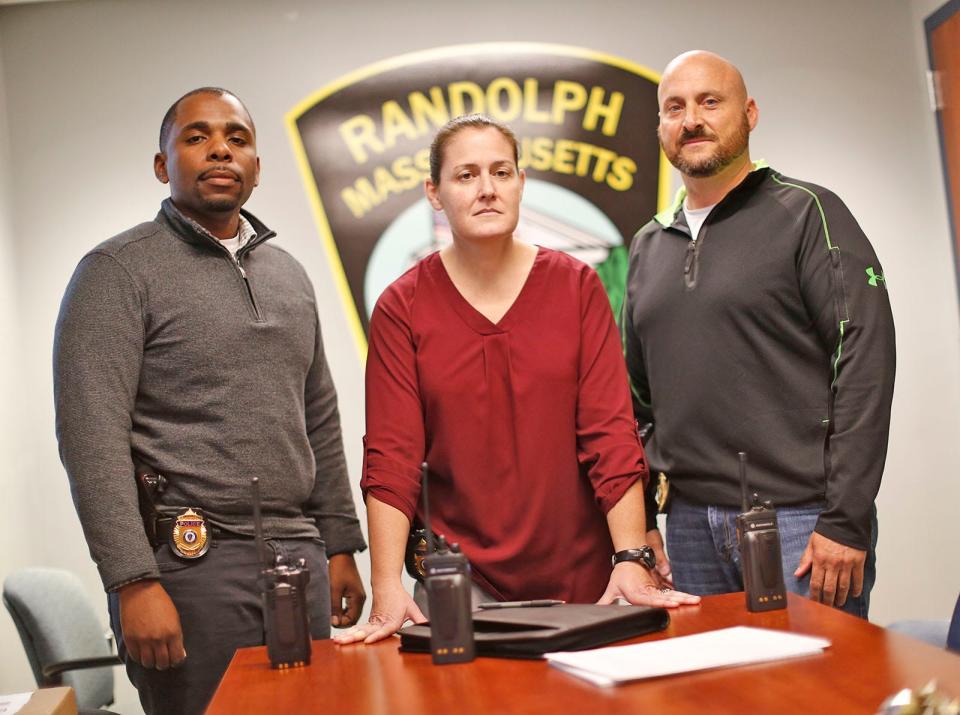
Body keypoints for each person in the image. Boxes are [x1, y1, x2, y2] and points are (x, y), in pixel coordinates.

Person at [53, 87, 367, 714]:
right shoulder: (115, 271)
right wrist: (133, 580)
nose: (220, 148)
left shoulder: (290, 276)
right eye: (196, 137)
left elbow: (321, 421)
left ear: (255, 167)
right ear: (163, 165)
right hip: (188, 567)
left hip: (298, 557)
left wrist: (339, 545)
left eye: (237, 138)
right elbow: (91, 438)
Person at [336, 114, 699, 646]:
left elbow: (611, 434)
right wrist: (387, 583)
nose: (486, 189)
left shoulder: (577, 287)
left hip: (587, 578)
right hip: (461, 586)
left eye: (501, 172)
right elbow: (391, 455)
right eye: (466, 176)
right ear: (434, 193)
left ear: (521, 183)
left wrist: (630, 556)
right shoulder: (401, 307)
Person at [621, 51, 896, 617]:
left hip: (802, 523)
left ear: (749, 113)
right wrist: (644, 522)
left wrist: (845, 518)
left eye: (710, 102)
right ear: (661, 128)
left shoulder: (808, 212)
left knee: (816, 697)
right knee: (715, 699)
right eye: (675, 107)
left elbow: (865, 363)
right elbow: (637, 399)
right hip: (690, 526)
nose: (691, 119)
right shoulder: (649, 243)